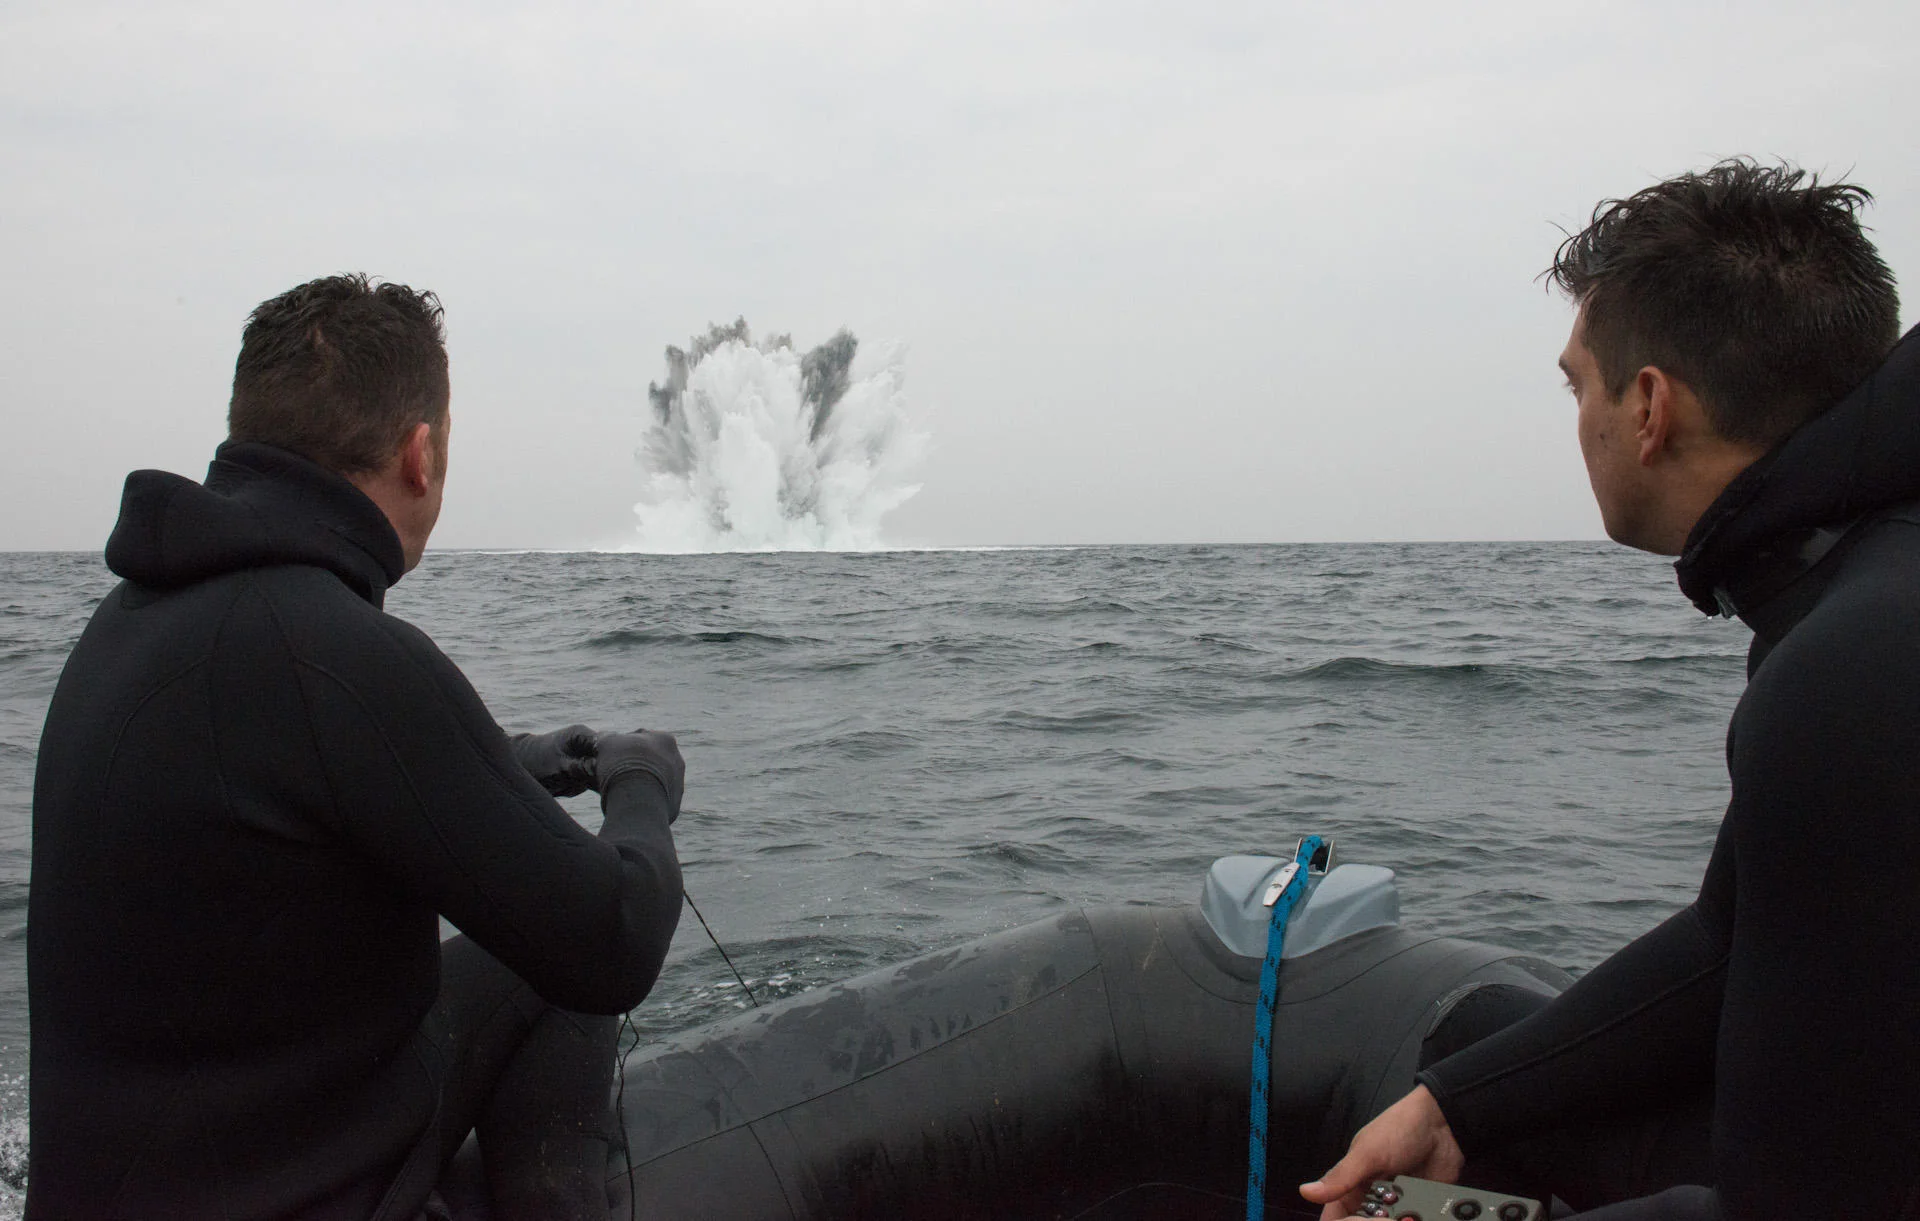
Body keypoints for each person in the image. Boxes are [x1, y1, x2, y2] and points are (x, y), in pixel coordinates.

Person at [1299, 160, 1919, 1220]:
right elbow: (1731, 942)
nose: (1576, 419)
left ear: (1647, 408)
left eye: (1575, 384)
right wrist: (1457, 1104)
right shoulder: (1857, 597)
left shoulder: (1854, 670)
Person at [26, 275, 685, 1220]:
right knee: (557, 956)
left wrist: (523, 760)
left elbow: (298, 777)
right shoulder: (335, 652)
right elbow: (613, 942)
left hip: (132, 1179)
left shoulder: (131, 620)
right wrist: (643, 784)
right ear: (419, 454)